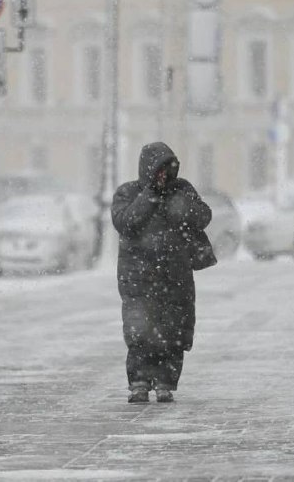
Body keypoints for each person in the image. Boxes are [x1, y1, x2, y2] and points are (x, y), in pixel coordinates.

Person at [111, 142, 213, 403]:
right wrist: (150, 194)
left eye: (169, 168)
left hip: (175, 275)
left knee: (174, 331)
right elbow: (126, 223)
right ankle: (140, 382)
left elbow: (203, 217)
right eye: (159, 169)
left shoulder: (181, 189)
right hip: (138, 277)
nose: (165, 175)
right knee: (139, 331)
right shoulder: (129, 192)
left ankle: (166, 382)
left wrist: (179, 202)